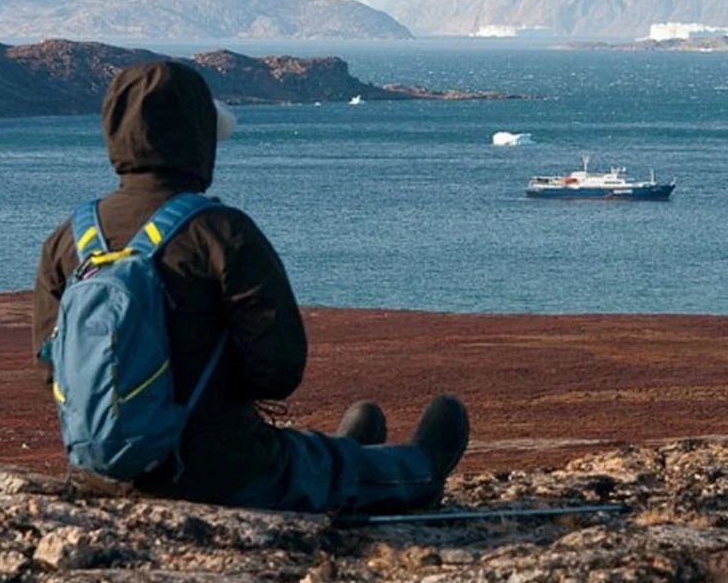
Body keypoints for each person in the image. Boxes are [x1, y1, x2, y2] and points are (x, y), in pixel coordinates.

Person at [32, 60, 469, 512]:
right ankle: (420, 468)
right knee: (300, 466)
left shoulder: (69, 241)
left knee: (311, 457)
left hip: (100, 476)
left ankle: (344, 452)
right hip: (219, 476)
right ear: (198, 139)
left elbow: (53, 370)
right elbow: (278, 371)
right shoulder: (221, 232)